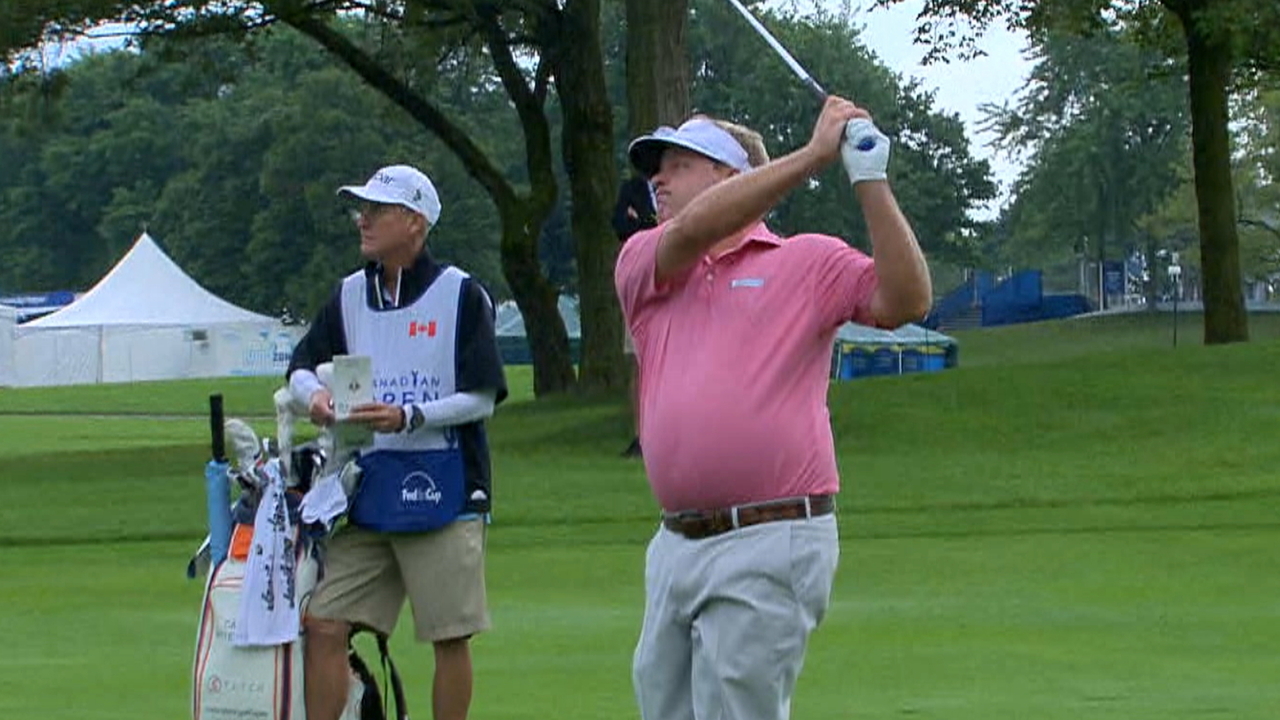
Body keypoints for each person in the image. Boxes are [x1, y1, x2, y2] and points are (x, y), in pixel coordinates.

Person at [615, 98, 931, 720]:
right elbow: (693, 232)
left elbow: (907, 299)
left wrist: (868, 180)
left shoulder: (807, 261)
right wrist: (814, 155)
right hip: (676, 542)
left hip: (772, 532)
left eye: (679, 163)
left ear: (732, 178)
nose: (658, 179)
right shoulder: (645, 261)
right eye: (657, 168)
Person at [287, 164, 507, 720]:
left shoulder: (460, 294)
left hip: (447, 490)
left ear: (415, 222)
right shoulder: (349, 295)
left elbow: (482, 396)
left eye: (377, 210)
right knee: (324, 621)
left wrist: (410, 415)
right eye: (361, 208)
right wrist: (314, 396)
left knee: (448, 636)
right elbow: (299, 368)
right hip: (369, 491)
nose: (363, 219)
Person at [610, 174, 658, 458]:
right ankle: (641, 435)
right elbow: (620, 224)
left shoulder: (682, 185)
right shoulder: (633, 187)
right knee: (639, 360)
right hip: (642, 282)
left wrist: (643, 222)